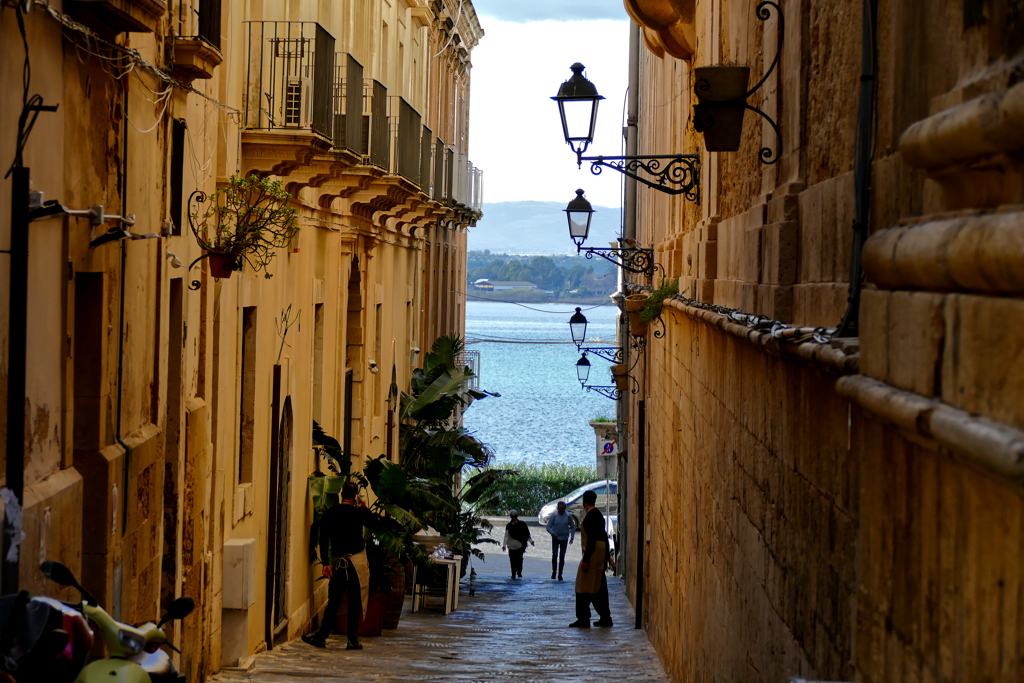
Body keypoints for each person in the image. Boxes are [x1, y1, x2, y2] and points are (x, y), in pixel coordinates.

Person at [302, 480, 374, 650]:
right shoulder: (358, 513)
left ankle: (322, 636)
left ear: (341, 494)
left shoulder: (330, 514)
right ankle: (352, 638)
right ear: (355, 497)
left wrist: (326, 564)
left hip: (339, 563)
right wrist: (364, 508)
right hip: (357, 562)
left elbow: (324, 539)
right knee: (355, 599)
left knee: (334, 600)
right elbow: (374, 525)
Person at [570, 490, 612, 628]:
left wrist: (586, 560)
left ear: (584, 502)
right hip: (599, 554)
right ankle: (605, 617)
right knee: (598, 586)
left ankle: (583, 618)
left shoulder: (590, 517)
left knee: (583, 586)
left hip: (593, 554)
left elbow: (592, 540)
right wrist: (607, 558)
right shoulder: (598, 515)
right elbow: (604, 536)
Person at [545, 501, 575, 580]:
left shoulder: (568, 515)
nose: (561, 510)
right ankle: (554, 571)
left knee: (562, 557)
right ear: (557, 508)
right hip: (555, 538)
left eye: (563, 508)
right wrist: (552, 533)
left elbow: (572, 526)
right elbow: (548, 527)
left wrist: (572, 536)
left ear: (565, 508)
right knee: (554, 555)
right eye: (560, 508)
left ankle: (560, 574)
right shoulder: (554, 515)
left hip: (564, 538)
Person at [502, 510, 534, 579]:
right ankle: (513, 573)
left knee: (519, 560)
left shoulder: (522, 524)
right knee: (512, 561)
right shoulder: (509, 526)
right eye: (512, 517)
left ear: (517, 516)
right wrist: (504, 545)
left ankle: (519, 572)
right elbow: (506, 536)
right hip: (511, 546)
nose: (514, 518)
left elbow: (526, 534)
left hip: (520, 545)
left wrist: (531, 541)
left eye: (515, 516)